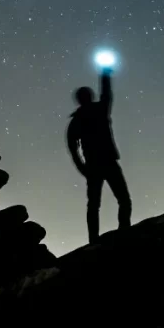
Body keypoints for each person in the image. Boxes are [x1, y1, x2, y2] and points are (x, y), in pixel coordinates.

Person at [67, 66, 131, 243]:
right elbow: (107, 94)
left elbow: (73, 149)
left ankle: (96, 239)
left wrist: (83, 168)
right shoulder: (98, 110)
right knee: (120, 200)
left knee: (96, 205)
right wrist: (105, 75)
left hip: (96, 165)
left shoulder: (78, 119)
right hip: (104, 162)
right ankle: (122, 230)